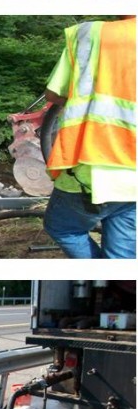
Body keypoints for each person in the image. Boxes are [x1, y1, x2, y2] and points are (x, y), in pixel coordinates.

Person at [43, 17, 136, 259]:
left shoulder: (90, 33)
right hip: (132, 179)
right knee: (122, 258)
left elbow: (54, 93)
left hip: (89, 170)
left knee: (63, 228)